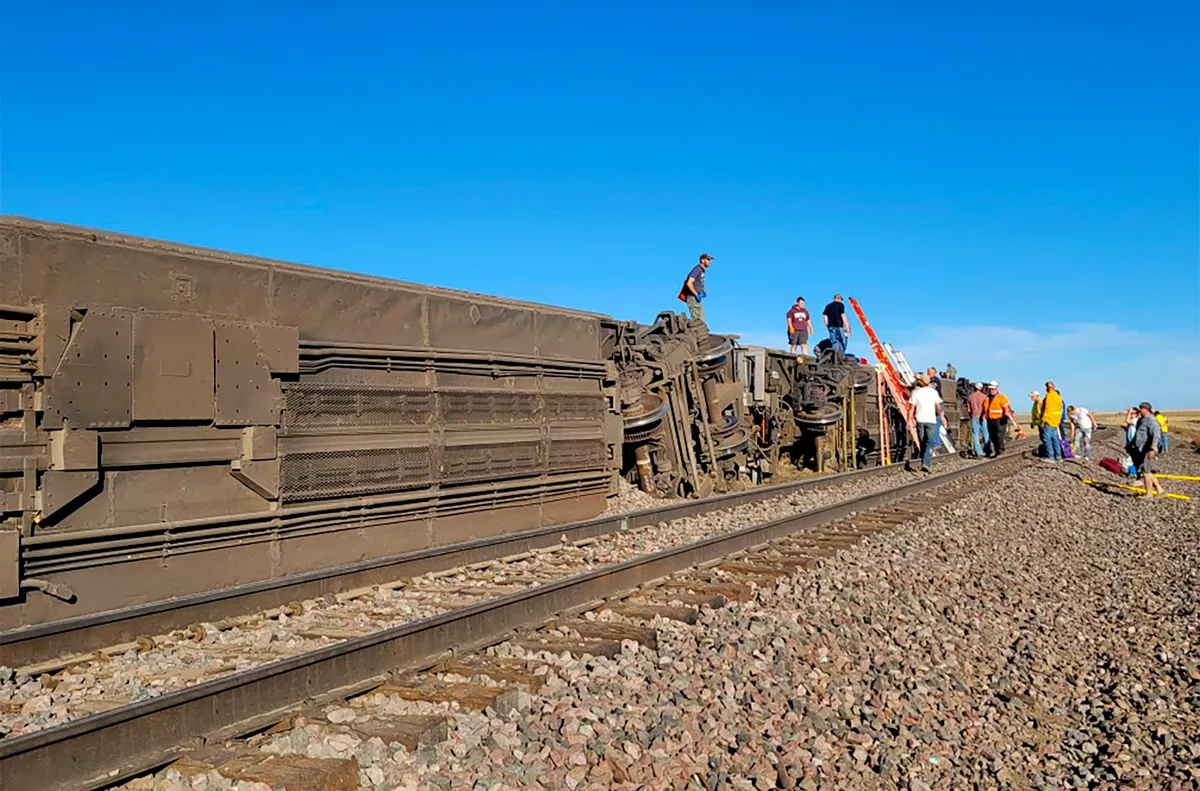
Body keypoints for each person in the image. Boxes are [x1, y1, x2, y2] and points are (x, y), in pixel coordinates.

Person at [1128, 402, 1164, 497]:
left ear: (1146, 409)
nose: (1139, 410)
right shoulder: (1141, 420)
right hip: (1140, 449)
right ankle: (1160, 490)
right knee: (1144, 469)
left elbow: (1156, 436)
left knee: (1146, 471)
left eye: (1141, 408)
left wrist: (1152, 449)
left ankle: (1149, 494)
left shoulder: (1152, 421)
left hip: (1147, 449)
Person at [909, 373, 943, 472]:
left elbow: (911, 408)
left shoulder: (916, 392)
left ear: (921, 382)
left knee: (923, 441)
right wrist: (938, 414)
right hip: (931, 420)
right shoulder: (933, 392)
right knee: (931, 442)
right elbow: (938, 406)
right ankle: (926, 462)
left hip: (920, 419)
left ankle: (923, 460)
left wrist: (909, 419)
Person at [983, 381, 1017, 456]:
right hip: (990, 420)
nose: (991, 390)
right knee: (993, 436)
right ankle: (997, 450)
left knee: (999, 436)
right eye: (990, 389)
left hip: (1000, 419)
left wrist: (1006, 415)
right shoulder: (987, 398)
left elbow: (1006, 407)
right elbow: (985, 409)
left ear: (997, 389)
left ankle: (1001, 450)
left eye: (993, 389)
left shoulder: (1001, 397)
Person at [677, 253, 712, 321]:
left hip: (697, 297)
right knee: (697, 321)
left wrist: (702, 291)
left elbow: (699, 283)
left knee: (701, 320)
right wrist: (696, 295)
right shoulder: (697, 269)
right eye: (708, 259)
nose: (710, 261)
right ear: (702, 260)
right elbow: (689, 283)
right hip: (692, 297)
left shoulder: (702, 271)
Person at [1039, 381, 1065, 463]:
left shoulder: (1049, 397)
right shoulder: (1058, 397)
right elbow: (1060, 409)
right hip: (1056, 421)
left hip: (1049, 421)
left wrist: (1043, 420)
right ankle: (1058, 456)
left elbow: (1048, 410)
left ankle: (1050, 456)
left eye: (1047, 387)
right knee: (1055, 439)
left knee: (1047, 438)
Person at [966, 382, 988, 457]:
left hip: (974, 416)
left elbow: (969, 410)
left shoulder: (970, 397)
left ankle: (978, 452)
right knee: (985, 433)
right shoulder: (984, 397)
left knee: (975, 434)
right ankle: (988, 450)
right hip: (982, 417)